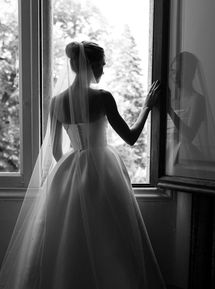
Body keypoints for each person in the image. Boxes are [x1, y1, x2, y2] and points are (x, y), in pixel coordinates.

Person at [0, 41, 166, 289]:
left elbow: (55, 149)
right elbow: (131, 138)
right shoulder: (103, 98)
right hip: (103, 171)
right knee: (109, 240)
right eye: (102, 64)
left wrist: (73, 171)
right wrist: (146, 107)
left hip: (67, 171)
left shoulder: (56, 102)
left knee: (66, 238)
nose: (104, 69)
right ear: (92, 65)